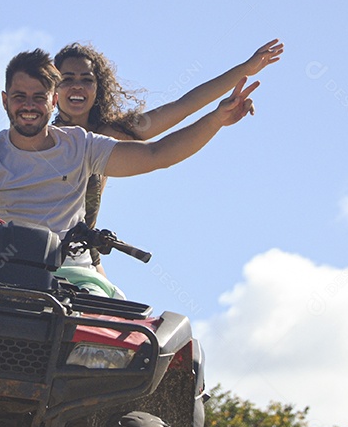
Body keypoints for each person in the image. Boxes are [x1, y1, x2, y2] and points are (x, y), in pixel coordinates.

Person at [0, 48, 262, 295]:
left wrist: (217, 117)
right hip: (1, 266)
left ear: (51, 99)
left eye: (39, 96)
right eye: (19, 96)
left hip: (74, 264)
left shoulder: (87, 143)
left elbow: (157, 152)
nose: (28, 105)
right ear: (4, 99)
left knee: (132, 336)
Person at [53, 39, 283, 271]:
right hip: (38, 256)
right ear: (52, 88)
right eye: (67, 79)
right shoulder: (38, 140)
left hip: (85, 261)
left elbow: (183, 107)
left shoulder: (108, 136)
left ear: (97, 88)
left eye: (87, 80)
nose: (77, 86)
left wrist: (244, 72)